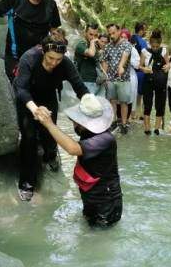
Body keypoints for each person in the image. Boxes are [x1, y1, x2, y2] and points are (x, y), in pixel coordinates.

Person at [13, 37, 89, 201]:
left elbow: (79, 86)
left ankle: (50, 155)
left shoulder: (65, 63)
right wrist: (34, 109)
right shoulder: (29, 58)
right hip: (28, 99)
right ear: (43, 51)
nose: (54, 63)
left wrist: (90, 102)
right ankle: (27, 182)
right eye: (50, 58)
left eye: (58, 59)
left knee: (50, 131)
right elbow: (21, 89)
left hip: (48, 97)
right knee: (29, 138)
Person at [35, 94, 122, 228]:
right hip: (92, 199)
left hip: (106, 205)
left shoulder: (105, 139)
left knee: (98, 242)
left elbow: (72, 149)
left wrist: (49, 124)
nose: (74, 123)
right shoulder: (88, 134)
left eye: (77, 121)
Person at [102, 24, 132, 134]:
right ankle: (113, 121)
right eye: (110, 34)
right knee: (112, 101)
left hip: (123, 79)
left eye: (113, 33)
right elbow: (105, 61)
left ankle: (124, 124)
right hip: (111, 78)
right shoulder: (108, 46)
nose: (112, 36)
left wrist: (121, 66)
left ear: (119, 31)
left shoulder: (126, 44)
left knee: (123, 102)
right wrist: (105, 76)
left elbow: (125, 55)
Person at [139, 30, 169, 135]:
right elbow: (140, 66)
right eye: (153, 46)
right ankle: (147, 128)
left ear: (160, 44)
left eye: (157, 46)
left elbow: (168, 64)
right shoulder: (144, 51)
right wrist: (144, 69)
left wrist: (167, 66)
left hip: (161, 81)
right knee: (147, 104)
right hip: (148, 81)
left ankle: (157, 129)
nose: (155, 48)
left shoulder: (164, 51)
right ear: (150, 44)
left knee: (160, 105)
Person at [75, 24, 106, 97]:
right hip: (86, 82)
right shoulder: (81, 45)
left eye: (95, 35)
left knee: (100, 107)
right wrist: (92, 42)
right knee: (89, 107)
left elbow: (99, 62)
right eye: (91, 34)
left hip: (99, 82)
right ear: (85, 33)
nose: (93, 37)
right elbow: (91, 53)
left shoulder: (95, 46)